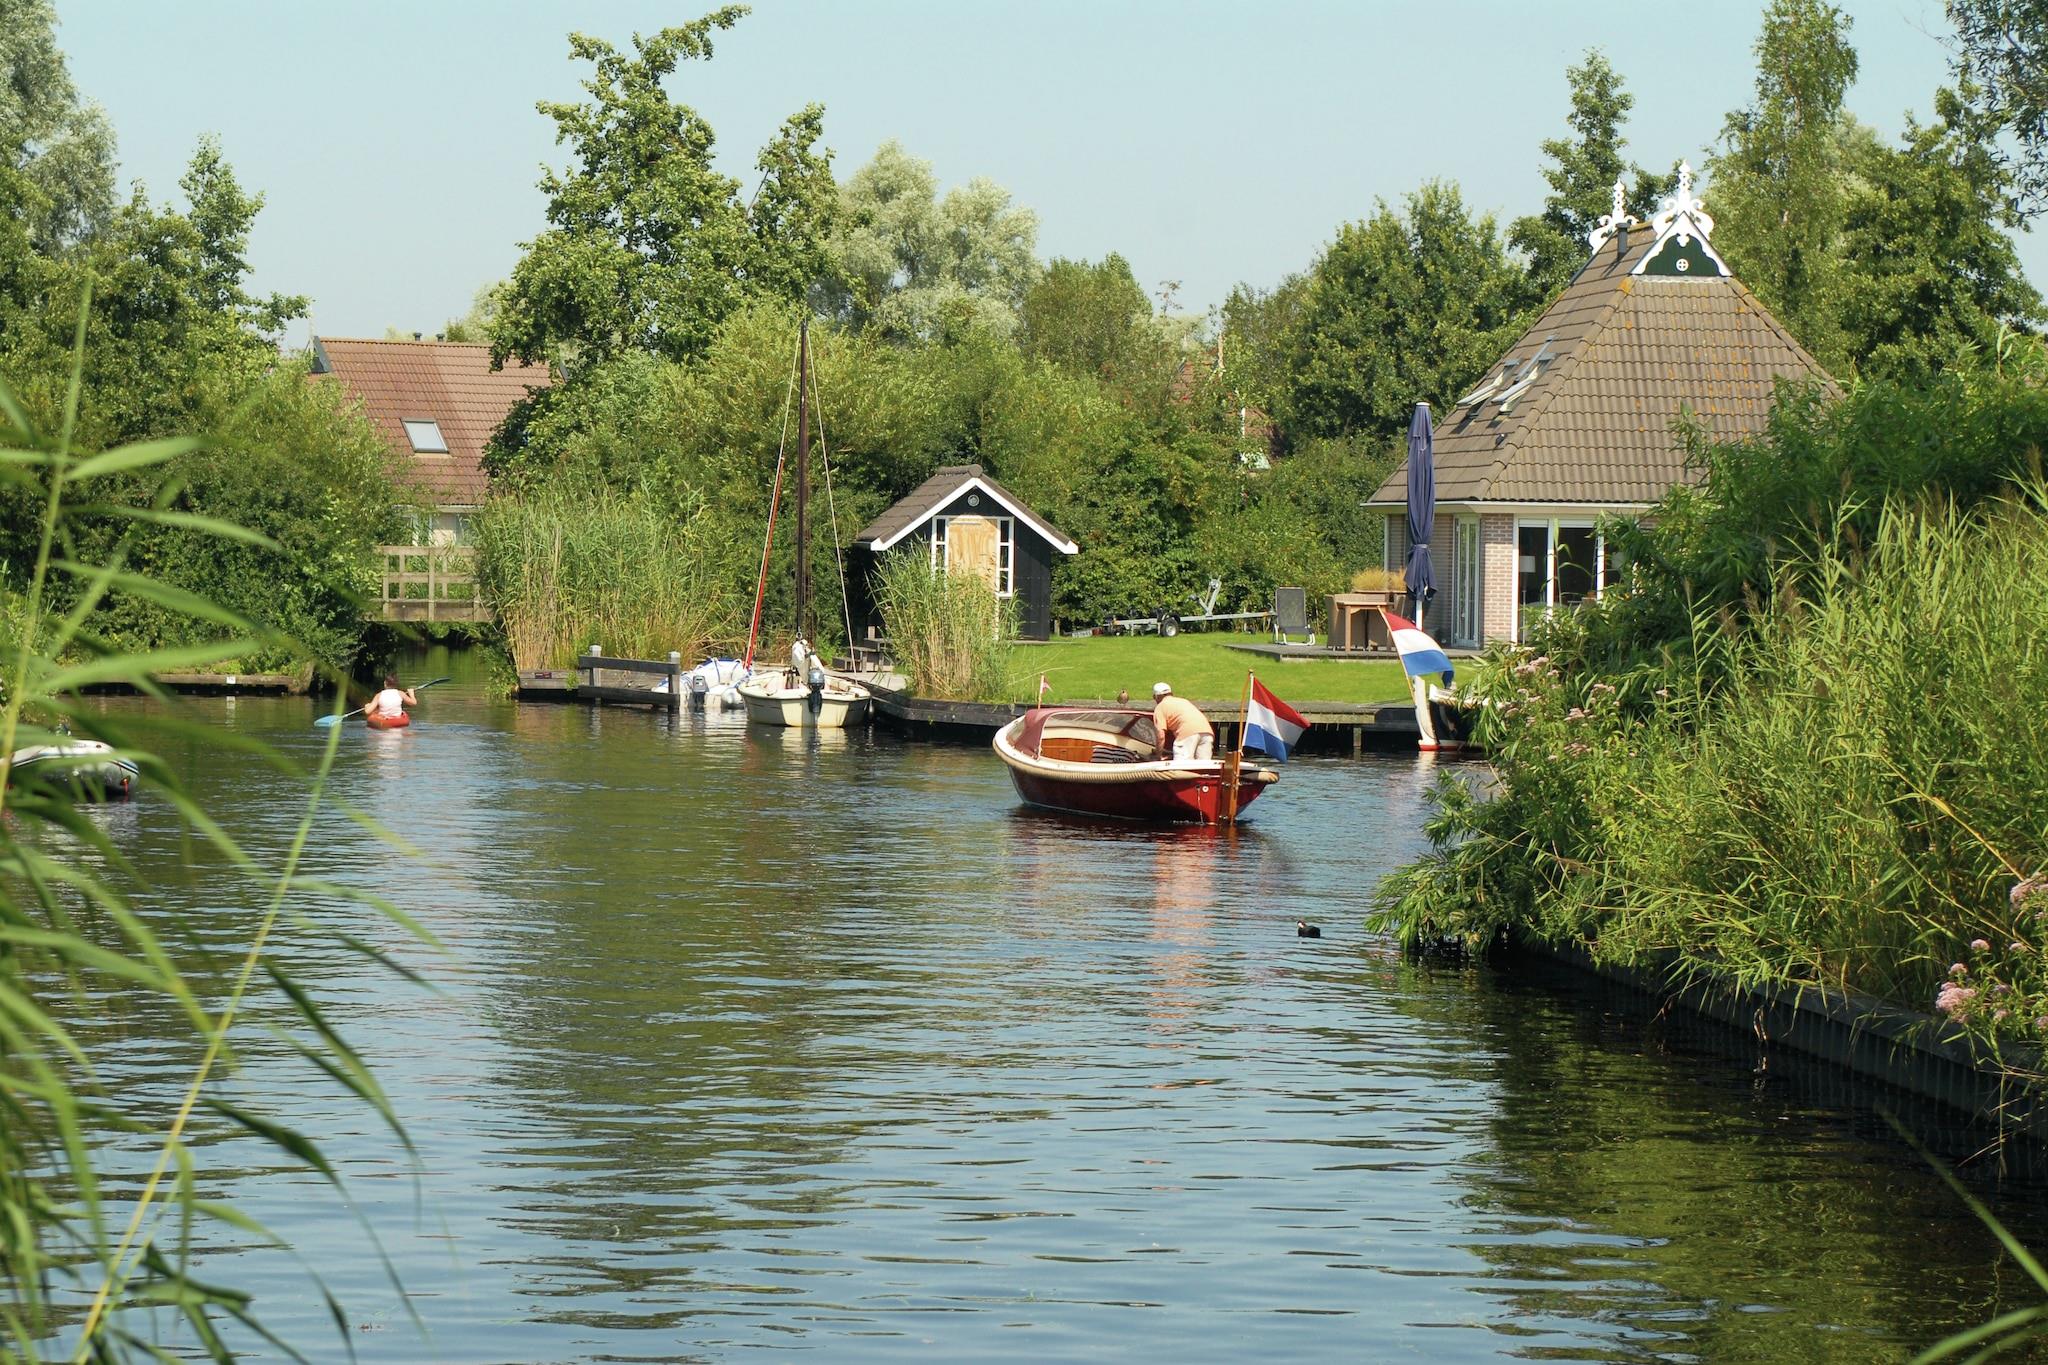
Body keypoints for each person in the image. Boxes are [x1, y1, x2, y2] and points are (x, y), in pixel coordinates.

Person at [1151, 681, 1214, 761]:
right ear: (1171, 693)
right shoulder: (1184, 701)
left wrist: (1158, 755)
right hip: (1207, 732)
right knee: (1204, 765)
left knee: (1182, 765)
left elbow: (1161, 735)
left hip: (1187, 734)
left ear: (1156, 696)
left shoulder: (1160, 707)